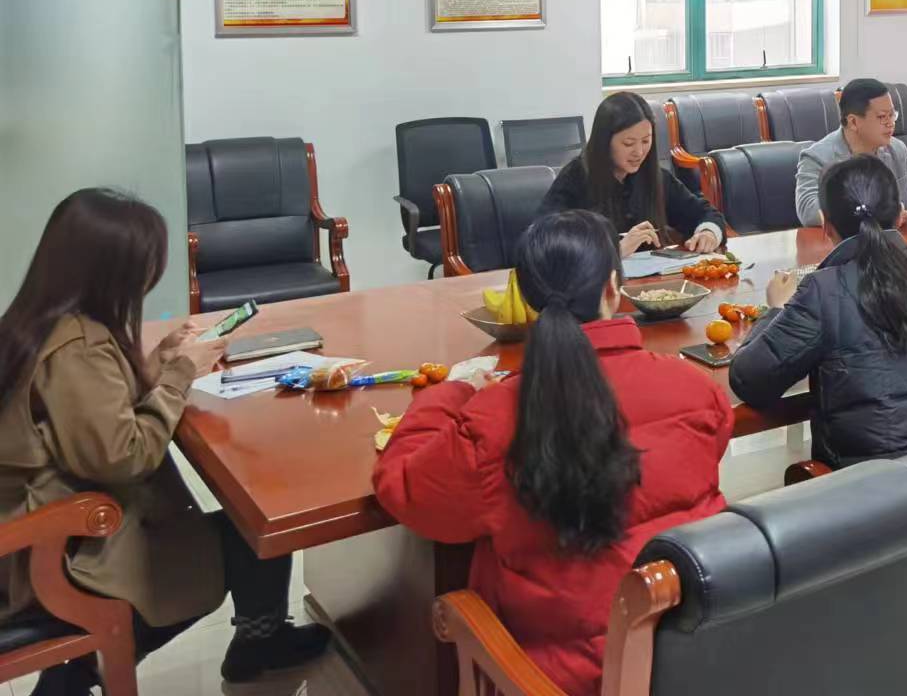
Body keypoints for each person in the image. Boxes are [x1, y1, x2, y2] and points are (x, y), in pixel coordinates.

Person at [374, 211, 731, 693]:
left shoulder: (494, 421)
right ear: (613, 287)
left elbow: (406, 491)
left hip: (560, 680)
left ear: (526, 301)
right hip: (696, 656)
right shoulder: (695, 388)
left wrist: (451, 394)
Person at [0, 190, 329, 695]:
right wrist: (178, 377)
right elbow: (125, 457)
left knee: (243, 526)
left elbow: (86, 417)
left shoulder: (39, 321)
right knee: (252, 529)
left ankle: (255, 644)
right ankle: (82, 669)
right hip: (59, 552)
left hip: (32, 531)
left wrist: (155, 366)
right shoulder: (77, 347)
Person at [735, 155, 907, 467]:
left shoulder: (823, 290)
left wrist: (776, 309)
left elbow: (750, 382)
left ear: (826, 225)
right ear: (899, 215)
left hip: (869, 488)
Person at [538, 92, 725, 255]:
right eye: (628, 143)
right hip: (598, 282)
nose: (639, 152)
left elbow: (704, 213)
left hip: (652, 280)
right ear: (605, 142)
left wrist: (708, 233)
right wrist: (615, 250)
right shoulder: (575, 178)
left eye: (646, 141)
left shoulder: (654, 176)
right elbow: (543, 240)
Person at [794, 78, 907, 228]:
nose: (891, 123)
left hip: (892, 240)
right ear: (853, 122)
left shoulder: (896, 148)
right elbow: (808, 209)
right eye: (882, 117)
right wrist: (879, 213)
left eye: (892, 115)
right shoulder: (817, 157)